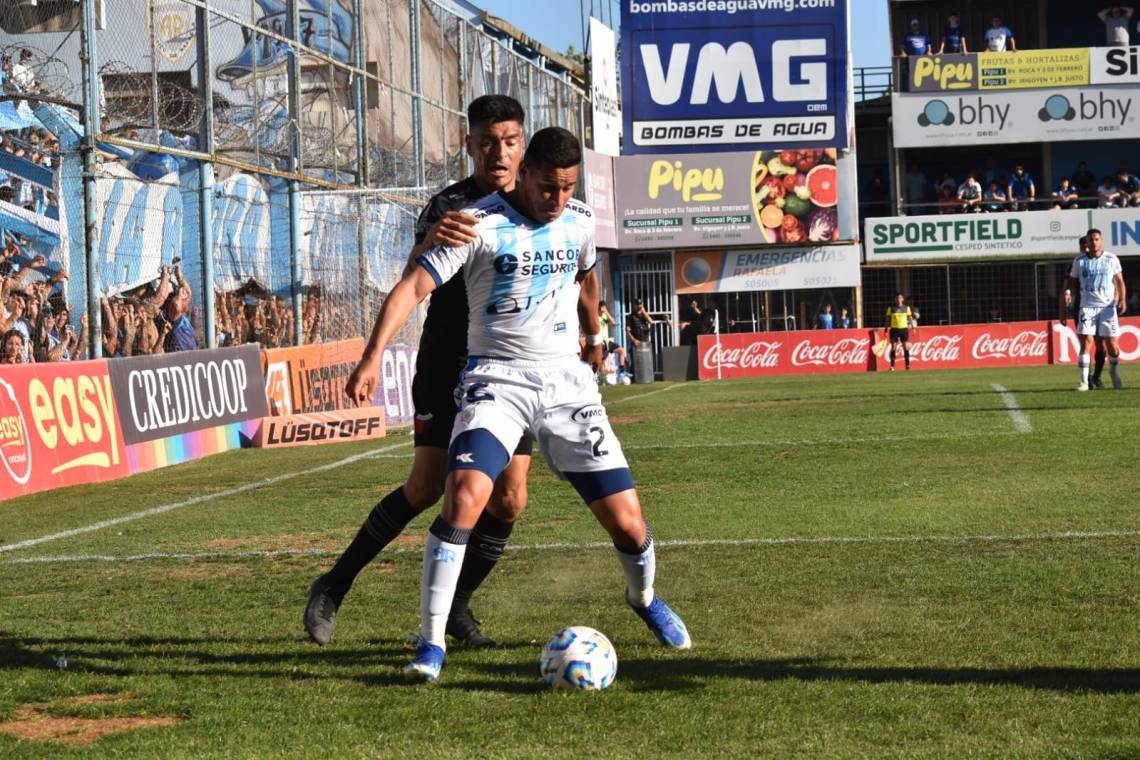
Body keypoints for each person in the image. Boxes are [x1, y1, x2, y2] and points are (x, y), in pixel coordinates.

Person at [343, 127, 690, 683]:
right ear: (524, 173)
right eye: (548, 187)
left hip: (565, 387)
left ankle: (644, 598)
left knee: (628, 525)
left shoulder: (577, 219)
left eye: (567, 187)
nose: (557, 200)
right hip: (495, 381)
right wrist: (370, 357)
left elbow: (585, 279)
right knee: (462, 497)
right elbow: (411, 286)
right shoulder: (475, 224)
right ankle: (430, 645)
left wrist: (595, 335)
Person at [304, 96, 533, 650]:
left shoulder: (536, 201)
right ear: (469, 143)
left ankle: (455, 608)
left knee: (510, 499)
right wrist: (373, 354)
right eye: (487, 142)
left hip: (507, 371)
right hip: (446, 364)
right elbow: (411, 281)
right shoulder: (450, 208)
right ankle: (333, 585)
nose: (498, 153)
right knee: (427, 487)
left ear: (521, 144)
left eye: (509, 141)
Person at [1064, 228, 1126, 390]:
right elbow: (1071, 280)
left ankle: (1113, 371)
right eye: (1091, 240)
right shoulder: (1080, 261)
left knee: (1112, 345)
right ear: (1087, 243)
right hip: (1087, 307)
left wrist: (1123, 299)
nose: (1094, 242)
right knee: (1087, 343)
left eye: (1097, 239)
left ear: (1101, 241)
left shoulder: (1111, 259)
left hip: (1107, 308)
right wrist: (1068, 292)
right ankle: (1084, 382)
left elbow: (1119, 281)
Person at [885, 293, 913, 371]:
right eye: (897, 298)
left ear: (902, 299)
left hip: (904, 329)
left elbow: (910, 318)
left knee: (905, 347)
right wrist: (886, 329)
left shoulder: (906, 308)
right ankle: (892, 366)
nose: (898, 299)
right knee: (893, 347)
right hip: (894, 329)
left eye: (900, 298)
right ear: (895, 299)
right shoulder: (891, 308)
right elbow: (887, 319)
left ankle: (907, 365)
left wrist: (913, 327)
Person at [598, 301, 626, 369]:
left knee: (622, 350)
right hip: (600, 342)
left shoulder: (605, 315)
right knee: (602, 361)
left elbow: (614, 323)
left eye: (604, 307)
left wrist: (606, 312)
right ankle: (602, 377)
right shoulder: (596, 316)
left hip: (607, 341)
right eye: (602, 307)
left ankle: (622, 370)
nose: (603, 309)